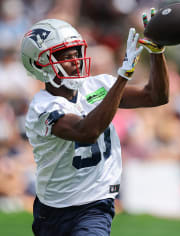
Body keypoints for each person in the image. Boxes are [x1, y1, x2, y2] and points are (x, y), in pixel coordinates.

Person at [21, 9, 168, 236]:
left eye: (77, 53)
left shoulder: (98, 85)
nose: (76, 61)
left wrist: (157, 52)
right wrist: (123, 76)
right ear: (42, 64)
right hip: (52, 210)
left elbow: (156, 95)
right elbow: (87, 131)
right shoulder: (41, 108)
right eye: (66, 56)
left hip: (95, 205)